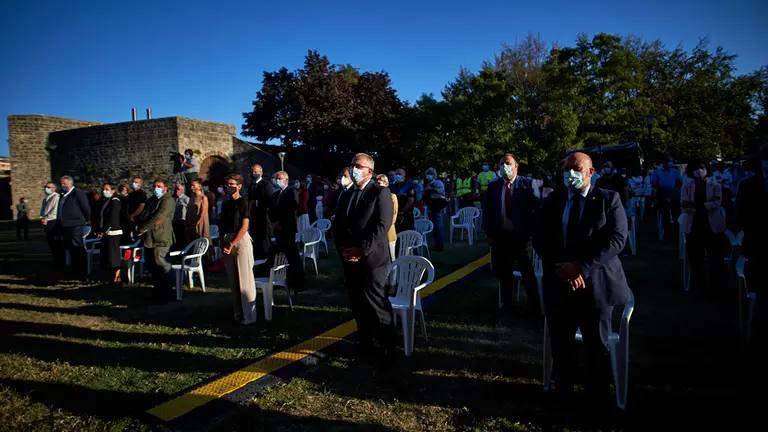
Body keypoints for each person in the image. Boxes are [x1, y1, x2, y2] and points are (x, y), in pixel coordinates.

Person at [533, 152, 631, 407]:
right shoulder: (552, 201)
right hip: (559, 283)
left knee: (596, 345)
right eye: (565, 169)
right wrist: (563, 269)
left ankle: (598, 396)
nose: (570, 174)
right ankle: (564, 393)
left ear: (590, 172)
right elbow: (540, 238)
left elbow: (617, 239)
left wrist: (579, 267)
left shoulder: (609, 199)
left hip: (596, 285)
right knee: (561, 343)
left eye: (576, 168)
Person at [334, 153, 396, 365]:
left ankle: (388, 349)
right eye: (352, 165)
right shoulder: (346, 195)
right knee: (358, 305)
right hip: (350, 259)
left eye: (358, 166)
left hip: (372, 260)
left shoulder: (380, 192)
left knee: (376, 304)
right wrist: (343, 249)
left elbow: (382, 225)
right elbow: (339, 224)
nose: (354, 169)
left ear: (369, 171)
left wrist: (362, 250)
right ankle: (366, 346)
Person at [483, 154, 540, 316]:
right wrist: (490, 234)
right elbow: (487, 211)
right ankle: (507, 304)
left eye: (507, 163)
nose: (504, 167)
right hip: (501, 236)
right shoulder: (493, 186)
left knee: (527, 271)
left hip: (522, 238)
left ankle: (534, 306)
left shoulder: (528, 184)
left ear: (516, 166)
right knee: (504, 272)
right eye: (501, 164)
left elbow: (537, 211)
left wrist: (532, 232)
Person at [681, 160, 726, 293]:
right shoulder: (686, 187)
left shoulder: (716, 186)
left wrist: (697, 206)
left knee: (715, 257)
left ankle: (717, 285)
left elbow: (717, 203)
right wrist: (706, 205)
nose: (699, 171)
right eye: (696, 168)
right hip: (693, 226)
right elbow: (685, 205)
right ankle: (698, 285)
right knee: (695, 258)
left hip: (712, 226)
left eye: (701, 168)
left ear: (707, 169)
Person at [219, 174, 257, 325]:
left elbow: (244, 227)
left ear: (239, 186)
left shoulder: (244, 202)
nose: (228, 186)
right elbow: (222, 225)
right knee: (233, 280)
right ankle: (237, 314)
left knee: (245, 280)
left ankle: (249, 316)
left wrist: (232, 243)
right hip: (227, 239)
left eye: (231, 184)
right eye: (227, 184)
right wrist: (222, 242)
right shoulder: (226, 204)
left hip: (240, 240)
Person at [136, 179, 176, 303]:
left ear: (165, 188)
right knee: (152, 266)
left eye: (159, 186)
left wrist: (143, 228)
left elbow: (159, 216)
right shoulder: (152, 200)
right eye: (154, 186)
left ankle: (167, 293)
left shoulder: (168, 200)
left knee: (162, 265)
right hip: (149, 238)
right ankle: (157, 291)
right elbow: (144, 213)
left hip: (161, 237)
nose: (156, 188)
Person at [270, 170, 308, 293]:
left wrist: (281, 223)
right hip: (277, 229)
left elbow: (291, 209)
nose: (277, 181)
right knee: (280, 254)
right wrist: (274, 222)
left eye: (280, 178)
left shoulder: (291, 192)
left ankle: (299, 282)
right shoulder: (276, 194)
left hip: (287, 229)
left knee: (292, 255)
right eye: (276, 178)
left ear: (286, 180)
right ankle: (280, 278)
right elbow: (272, 210)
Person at [57, 176, 91, 280]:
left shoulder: (77, 193)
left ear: (70, 183)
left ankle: (83, 272)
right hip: (66, 225)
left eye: (64, 184)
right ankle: (74, 269)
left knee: (77, 248)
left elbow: (85, 207)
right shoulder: (63, 195)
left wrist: (88, 219)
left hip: (76, 224)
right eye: (61, 184)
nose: (62, 186)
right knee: (69, 248)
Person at [96, 183, 123, 287]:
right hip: (106, 232)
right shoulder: (107, 201)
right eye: (104, 189)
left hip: (113, 232)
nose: (104, 191)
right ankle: (110, 276)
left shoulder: (115, 202)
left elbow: (112, 218)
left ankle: (117, 277)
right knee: (107, 255)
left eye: (107, 189)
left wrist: (103, 231)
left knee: (113, 256)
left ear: (113, 190)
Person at [652, 156, 683, 241]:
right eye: (669, 161)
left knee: (676, 215)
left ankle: (676, 235)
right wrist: (664, 190)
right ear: (664, 162)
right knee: (665, 217)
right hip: (662, 196)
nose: (670, 163)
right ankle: (667, 235)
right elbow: (654, 183)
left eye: (671, 161)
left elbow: (681, 182)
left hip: (674, 196)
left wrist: (675, 190)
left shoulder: (675, 172)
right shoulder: (657, 172)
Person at [246, 164, 273, 260]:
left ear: (260, 173)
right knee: (255, 241)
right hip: (254, 218)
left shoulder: (266, 184)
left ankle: (266, 261)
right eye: (252, 172)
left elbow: (270, 199)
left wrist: (257, 202)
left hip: (263, 217)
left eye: (255, 172)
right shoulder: (251, 186)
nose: (253, 174)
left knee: (264, 242)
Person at [375, 174, 398, 262]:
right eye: (376, 183)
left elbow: (394, 215)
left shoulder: (392, 196)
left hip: (388, 233)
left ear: (386, 184)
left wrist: (383, 227)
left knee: (391, 258)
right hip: (376, 234)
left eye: (380, 183)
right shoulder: (373, 197)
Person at [423, 167, 446, 252]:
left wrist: (432, 189)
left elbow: (442, 191)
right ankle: (436, 243)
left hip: (438, 207)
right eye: (428, 173)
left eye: (431, 173)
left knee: (439, 227)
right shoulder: (426, 184)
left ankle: (440, 244)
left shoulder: (438, 182)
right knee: (433, 227)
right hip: (430, 207)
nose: (429, 175)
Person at [40, 182, 62, 263]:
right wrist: (42, 218)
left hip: (53, 221)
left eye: (49, 187)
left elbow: (55, 210)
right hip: (46, 222)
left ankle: (59, 259)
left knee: (54, 241)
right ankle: (55, 257)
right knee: (50, 241)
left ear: (54, 188)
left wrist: (47, 218)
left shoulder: (56, 197)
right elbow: (43, 210)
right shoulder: (45, 199)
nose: (47, 189)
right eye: (46, 187)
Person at [390, 168, 415, 232]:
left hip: (406, 215)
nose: (397, 175)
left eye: (400, 174)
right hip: (394, 215)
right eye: (396, 174)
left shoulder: (409, 186)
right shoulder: (392, 186)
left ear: (404, 176)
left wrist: (402, 211)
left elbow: (410, 201)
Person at [172, 183, 190, 250]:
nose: (177, 190)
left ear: (182, 190)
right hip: (174, 221)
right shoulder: (174, 198)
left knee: (181, 239)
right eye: (176, 189)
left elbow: (189, 210)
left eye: (178, 189)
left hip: (182, 221)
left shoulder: (186, 199)